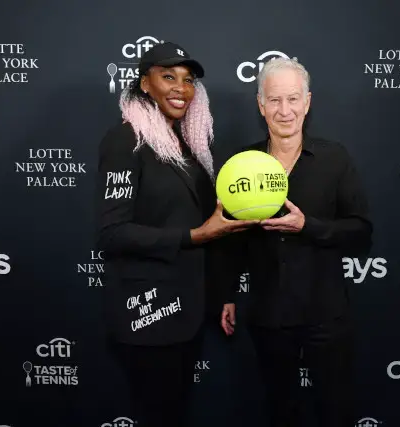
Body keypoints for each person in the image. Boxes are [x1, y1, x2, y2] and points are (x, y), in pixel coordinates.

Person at [95, 41, 256, 427]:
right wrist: (193, 237)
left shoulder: (190, 147)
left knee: (174, 411)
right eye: (168, 76)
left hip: (188, 310)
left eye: (187, 81)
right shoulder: (125, 141)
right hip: (147, 312)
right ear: (144, 83)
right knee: (158, 413)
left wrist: (222, 295)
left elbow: (209, 227)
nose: (180, 89)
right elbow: (112, 234)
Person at [218, 57, 373, 427]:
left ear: (307, 102)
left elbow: (361, 232)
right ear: (260, 105)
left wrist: (309, 226)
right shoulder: (242, 165)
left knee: (335, 410)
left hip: (326, 313)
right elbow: (230, 239)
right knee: (280, 410)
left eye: (292, 99)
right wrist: (225, 293)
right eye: (274, 100)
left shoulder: (334, 159)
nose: (284, 111)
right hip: (269, 313)